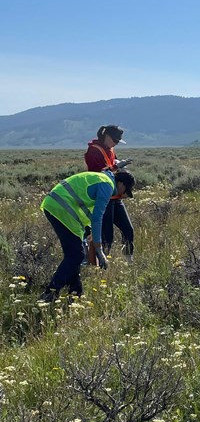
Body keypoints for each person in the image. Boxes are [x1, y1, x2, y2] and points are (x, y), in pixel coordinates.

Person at [40, 170, 136, 302]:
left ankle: (76, 293)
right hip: (60, 207)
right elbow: (97, 217)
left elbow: (87, 210)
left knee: (74, 254)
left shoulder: (102, 179)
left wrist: (88, 230)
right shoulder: (107, 185)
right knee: (76, 255)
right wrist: (99, 249)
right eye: (126, 190)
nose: (123, 195)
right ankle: (50, 293)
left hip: (57, 206)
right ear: (121, 183)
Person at [84, 125, 134, 259]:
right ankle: (101, 265)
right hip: (103, 196)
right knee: (107, 236)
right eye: (115, 140)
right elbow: (97, 175)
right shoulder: (93, 151)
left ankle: (128, 261)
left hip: (115, 196)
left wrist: (119, 166)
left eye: (118, 141)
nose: (116, 143)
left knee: (128, 230)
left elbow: (112, 167)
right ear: (106, 136)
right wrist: (117, 166)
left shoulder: (110, 149)